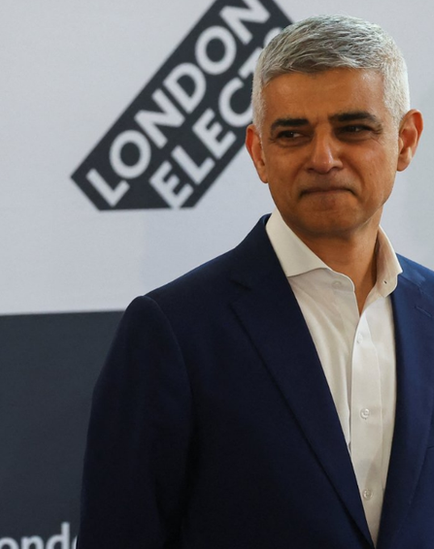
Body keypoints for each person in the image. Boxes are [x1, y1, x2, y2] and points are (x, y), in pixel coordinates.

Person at [78, 14, 434, 548]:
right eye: (292, 134)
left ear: (405, 141)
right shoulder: (173, 332)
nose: (323, 158)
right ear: (258, 153)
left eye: (353, 128)